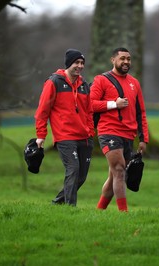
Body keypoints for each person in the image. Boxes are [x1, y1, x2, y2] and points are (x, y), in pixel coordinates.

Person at [90, 47, 149, 212]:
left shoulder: (134, 83)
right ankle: (124, 213)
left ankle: (99, 211)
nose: (126, 62)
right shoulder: (101, 80)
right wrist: (113, 104)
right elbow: (90, 104)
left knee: (114, 175)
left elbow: (140, 112)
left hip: (128, 135)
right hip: (108, 131)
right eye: (122, 58)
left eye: (128, 59)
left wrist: (144, 138)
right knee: (119, 170)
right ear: (113, 60)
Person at [34, 48, 94, 206]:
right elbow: (42, 110)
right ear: (68, 64)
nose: (80, 66)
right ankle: (70, 208)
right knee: (73, 169)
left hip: (85, 137)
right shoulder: (54, 82)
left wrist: (90, 131)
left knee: (81, 177)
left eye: (82, 63)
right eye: (76, 63)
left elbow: (89, 111)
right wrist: (41, 135)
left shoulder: (84, 85)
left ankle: (57, 202)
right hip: (65, 136)